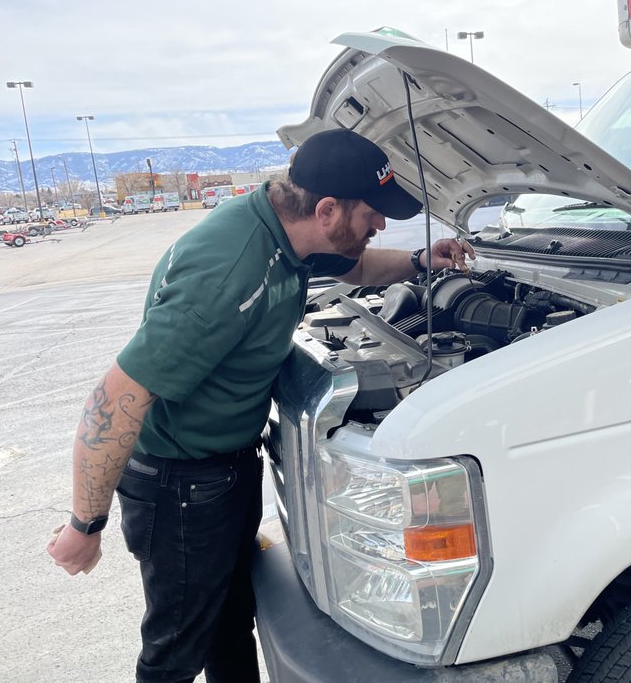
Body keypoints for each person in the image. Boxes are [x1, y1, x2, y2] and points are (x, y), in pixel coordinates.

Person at [47, 128, 475, 683]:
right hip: (181, 489)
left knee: (228, 625)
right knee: (174, 654)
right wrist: (85, 524)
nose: (381, 225)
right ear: (327, 210)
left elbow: (357, 268)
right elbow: (115, 398)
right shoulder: (229, 274)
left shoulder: (289, 232)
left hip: (223, 474)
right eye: (373, 214)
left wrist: (420, 261)